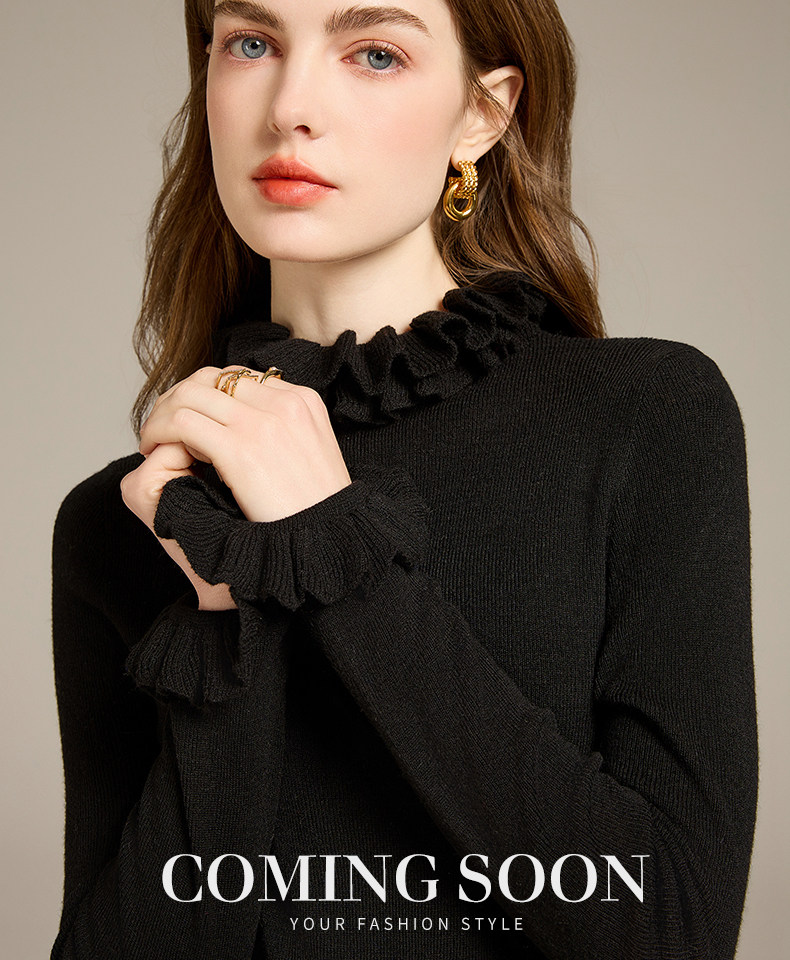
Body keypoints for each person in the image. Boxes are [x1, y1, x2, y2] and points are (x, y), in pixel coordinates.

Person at [49, 1, 758, 958]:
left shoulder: (645, 417)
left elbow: (671, 932)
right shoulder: (131, 516)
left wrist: (330, 545)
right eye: (251, 43)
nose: (289, 107)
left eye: (375, 54)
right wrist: (225, 622)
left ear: (484, 114)